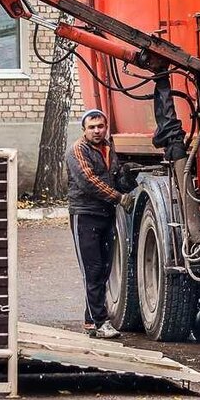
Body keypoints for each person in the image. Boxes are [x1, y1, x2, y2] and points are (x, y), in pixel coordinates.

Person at [65, 109, 134, 339]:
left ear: (106, 127)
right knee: (92, 270)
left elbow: (115, 178)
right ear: (84, 130)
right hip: (85, 216)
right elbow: (89, 182)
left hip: (106, 215)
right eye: (92, 127)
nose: (97, 131)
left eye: (100, 126)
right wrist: (118, 197)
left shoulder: (108, 148)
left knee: (104, 269)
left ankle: (90, 321)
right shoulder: (77, 151)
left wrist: (128, 178)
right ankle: (101, 321)